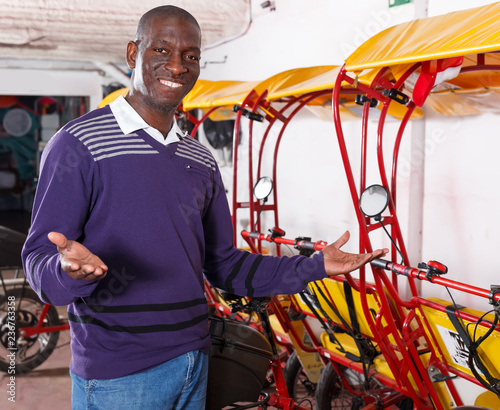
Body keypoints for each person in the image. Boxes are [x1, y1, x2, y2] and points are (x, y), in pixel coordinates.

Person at [21, 5, 388, 409]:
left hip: (195, 358)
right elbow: (41, 263)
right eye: (161, 50)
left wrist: (314, 266)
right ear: (132, 54)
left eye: (190, 56)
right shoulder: (79, 144)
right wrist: (68, 270)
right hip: (120, 374)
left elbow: (225, 265)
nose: (177, 66)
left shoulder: (199, 159)